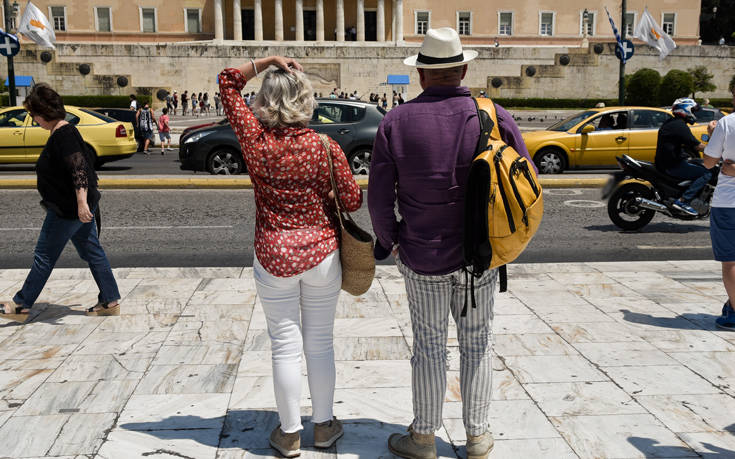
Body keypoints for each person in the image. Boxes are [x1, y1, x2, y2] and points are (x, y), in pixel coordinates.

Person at [368, 27, 534, 459]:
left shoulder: (396, 121)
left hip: (421, 254)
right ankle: (477, 435)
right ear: (463, 69)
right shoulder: (491, 114)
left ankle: (423, 437)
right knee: (477, 345)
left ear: (422, 74)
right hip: (480, 255)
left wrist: (391, 241)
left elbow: (380, 197)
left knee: (428, 348)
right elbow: (526, 178)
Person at [219, 55, 362, 458]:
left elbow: (228, 82)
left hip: (273, 253)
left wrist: (265, 62)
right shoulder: (324, 145)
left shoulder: (254, 139)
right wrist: (328, 193)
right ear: (306, 100)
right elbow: (353, 198)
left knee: (283, 344)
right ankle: (324, 426)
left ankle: (290, 433)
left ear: (266, 100)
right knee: (320, 344)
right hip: (321, 255)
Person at [0, 83, 121, 322]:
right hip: (75, 207)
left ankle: (21, 304)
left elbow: (78, 169)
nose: (33, 120)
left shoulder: (63, 134)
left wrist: (81, 203)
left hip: (67, 209)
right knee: (92, 251)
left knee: (44, 255)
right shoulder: (64, 131)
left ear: (43, 113)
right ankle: (110, 299)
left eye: (33, 115)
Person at [703, 86, 735, 330]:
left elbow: (708, 162)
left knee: (731, 262)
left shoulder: (726, 124)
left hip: (728, 202)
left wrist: (712, 133)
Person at [655, 98, 711, 216]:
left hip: (667, 162)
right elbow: (696, 145)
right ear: (685, 110)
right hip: (671, 165)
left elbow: (687, 145)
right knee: (706, 174)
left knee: (697, 162)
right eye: (693, 110)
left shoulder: (673, 123)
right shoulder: (679, 126)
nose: (694, 114)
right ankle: (683, 201)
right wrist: (716, 150)